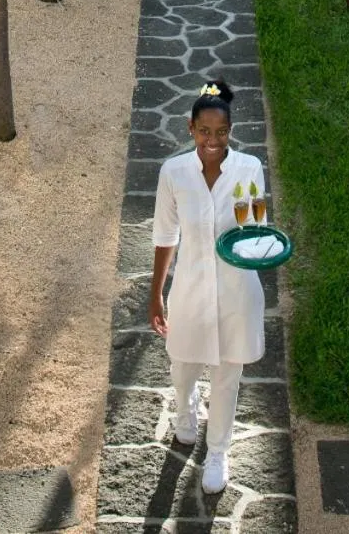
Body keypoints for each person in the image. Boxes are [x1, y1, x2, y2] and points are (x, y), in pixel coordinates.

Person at [149, 78, 266, 495]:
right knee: (182, 367)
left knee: (226, 376)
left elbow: (256, 226)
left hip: (237, 291)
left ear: (229, 132)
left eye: (220, 132)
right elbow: (165, 236)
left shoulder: (249, 168)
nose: (212, 140)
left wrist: (257, 239)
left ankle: (217, 450)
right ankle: (185, 411)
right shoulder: (174, 173)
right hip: (190, 291)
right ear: (190, 129)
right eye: (204, 132)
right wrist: (156, 293)